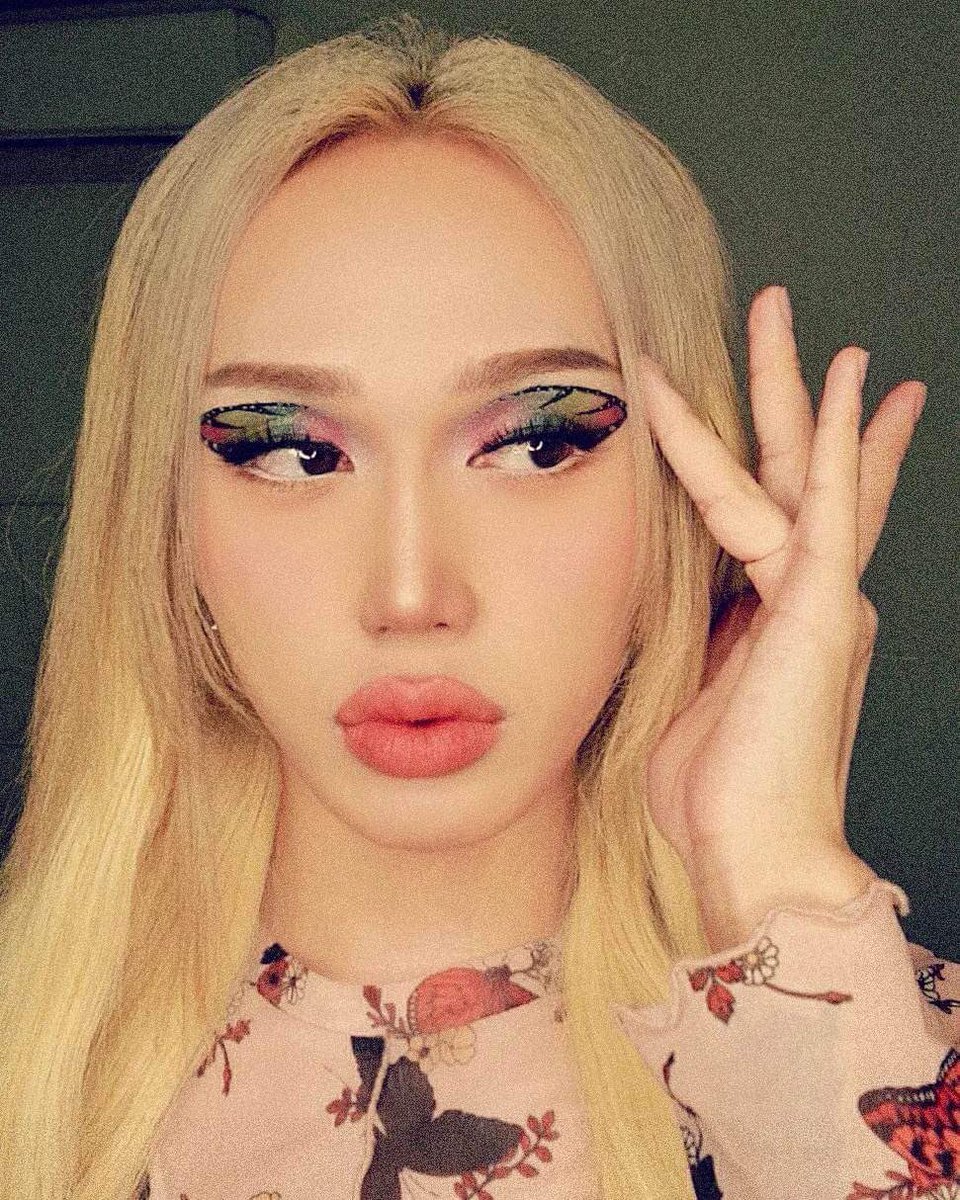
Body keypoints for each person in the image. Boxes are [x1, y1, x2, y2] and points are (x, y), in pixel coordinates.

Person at [0, 13, 956, 1200]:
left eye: (538, 443)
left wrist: (771, 881)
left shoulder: (899, 1050)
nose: (412, 595)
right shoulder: (28, 1074)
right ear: (163, 518)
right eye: (290, 452)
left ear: (677, 495)